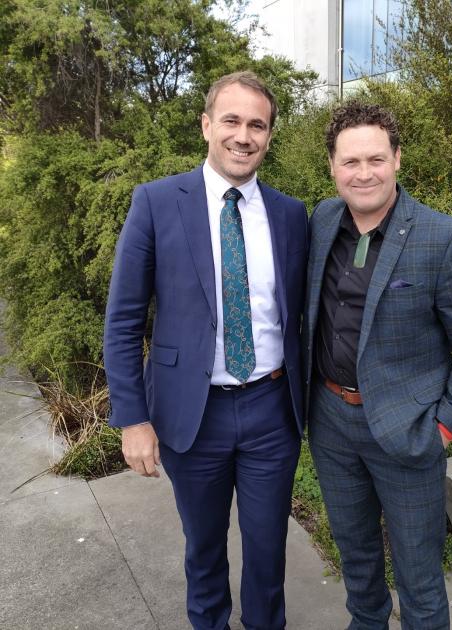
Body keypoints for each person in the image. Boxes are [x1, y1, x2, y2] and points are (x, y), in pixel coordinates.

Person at [104, 71, 308, 630]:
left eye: (257, 125)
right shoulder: (155, 202)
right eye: (232, 121)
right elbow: (123, 320)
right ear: (206, 126)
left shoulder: (291, 215)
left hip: (272, 412)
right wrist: (132, 419)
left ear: (269, 135)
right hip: (192, 414)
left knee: (269, 552)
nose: (244, 136)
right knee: (203, 549)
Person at [302, 101, 452, 629]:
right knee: (356, 555)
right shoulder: (322, 221)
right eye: (350, 161)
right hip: (330, 423)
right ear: (332, 166)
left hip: (408, 432)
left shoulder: (441, 238)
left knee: (418, 574)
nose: (363, 173)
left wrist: (445, 426)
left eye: (375, 159)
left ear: (397, 159)